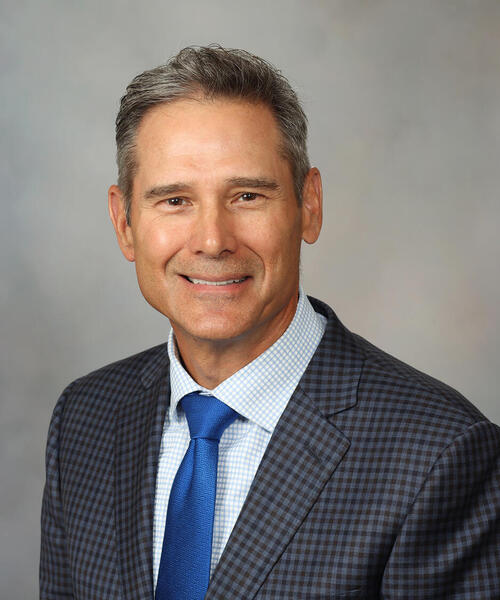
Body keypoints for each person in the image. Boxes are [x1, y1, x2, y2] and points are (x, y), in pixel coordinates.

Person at [40, 45, 500, 600]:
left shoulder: (440, 451)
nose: (213, 240)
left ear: (309, 205)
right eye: (175, 200)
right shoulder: (85, 418)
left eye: (247, 195)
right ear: (124, 223)